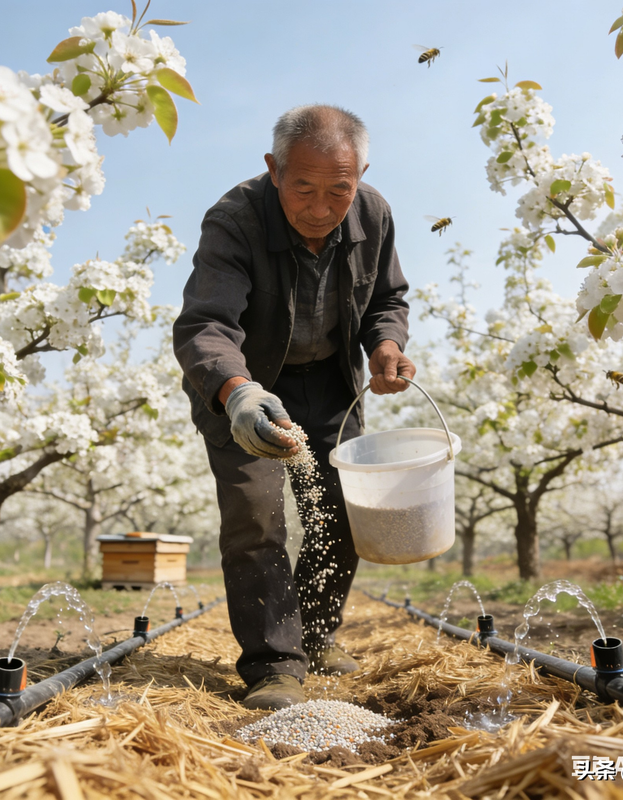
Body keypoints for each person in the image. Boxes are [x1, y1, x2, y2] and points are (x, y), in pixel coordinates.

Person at [173, 104, 416, 710]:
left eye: (339, 188)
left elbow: (389, 296)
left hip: (331, 384)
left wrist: (386, 343)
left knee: (341, 514)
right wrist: (238, 394)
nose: (319, 206)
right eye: (302, 187)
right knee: (257, 516)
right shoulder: (235, 219)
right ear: (273, 170)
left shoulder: (374, 213)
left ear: (360, 173)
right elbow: (205, 323)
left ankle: (314, 634)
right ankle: (273, 665)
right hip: (246, 386)